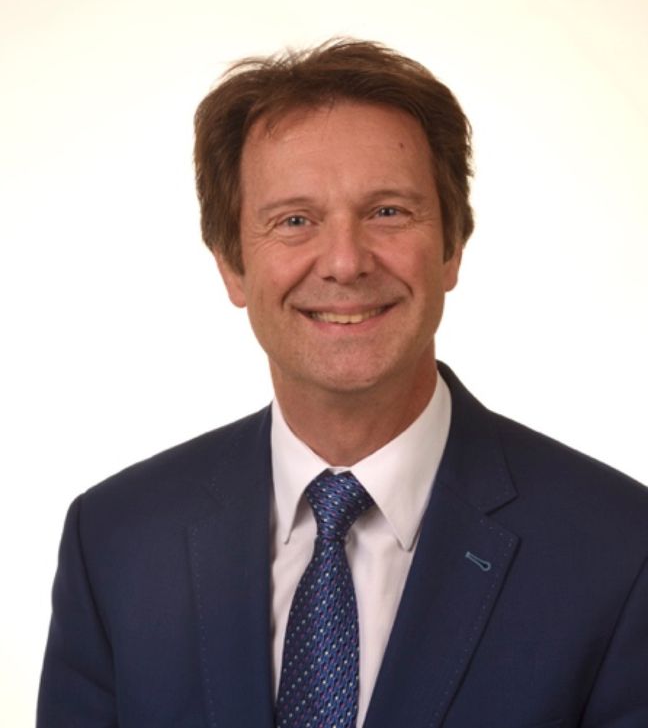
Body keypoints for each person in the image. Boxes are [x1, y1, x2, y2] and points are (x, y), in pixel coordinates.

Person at [38, 39, 648, 728]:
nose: (345, 261)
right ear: (232, 267)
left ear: (452, 247)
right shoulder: (115, 541)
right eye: (294, 221)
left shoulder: (622, 551)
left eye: (388, 211)